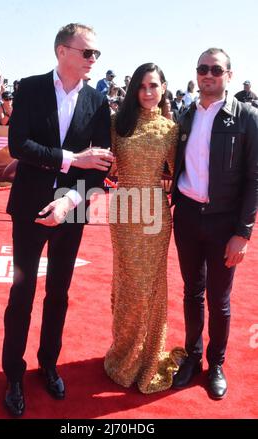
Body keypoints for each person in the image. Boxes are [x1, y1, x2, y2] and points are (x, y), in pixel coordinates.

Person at [2, 22, 114, 417]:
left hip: (72, 208)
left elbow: (98, 167)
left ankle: (48, 364)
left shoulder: (98, 103)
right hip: (30, 207)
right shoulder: (30, 88)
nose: (93, 61)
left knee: (59, 294)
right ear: (62, 52)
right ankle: (13, 374)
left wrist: (68, 200)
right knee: (22, 293)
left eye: (96, 54)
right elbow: (19, 144)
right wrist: (71, 159)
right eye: (87, 53)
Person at [171, 48, 258, 399]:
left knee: (219, 299)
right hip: (188, 216)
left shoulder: (247, 117)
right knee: (191, 293)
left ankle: (216, 363)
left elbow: (254, 178)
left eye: (216, 69)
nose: (208, 75)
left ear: (229, 75)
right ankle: (191, 357)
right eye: (202, 69)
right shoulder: (185, 115)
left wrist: (243, 232)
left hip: (225, 222)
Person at [104, 63, 186, 394]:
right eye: (142, 86)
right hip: (123, 211)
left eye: (154, 85)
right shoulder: (115, 124)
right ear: (134, 90)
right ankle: (124, 354)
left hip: (154, 214)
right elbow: (99, 161)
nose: (148, 91)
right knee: (126, 283)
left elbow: (184, 170)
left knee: (148, 286)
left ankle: (148, 355)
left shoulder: (170, 129)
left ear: (164, 88)